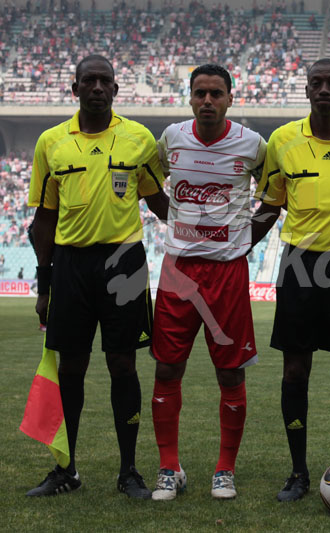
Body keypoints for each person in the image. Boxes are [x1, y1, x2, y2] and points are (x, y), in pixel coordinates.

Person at [26, 54, 167, 498]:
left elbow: (160, 203)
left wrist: (206, 223)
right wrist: (44, 285)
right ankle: (65, 469)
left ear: (116, 89)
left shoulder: (139, 139)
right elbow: (44, 219)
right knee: (71, 366)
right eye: (89, 80)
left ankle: (129, 472)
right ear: (75, 88)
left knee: (123, 363)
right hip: (71, 265)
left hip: (124, 261)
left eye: (105, 81)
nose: (98, 88)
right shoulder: (51, 142)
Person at [252, 58, 330, 502]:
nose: (324, 89)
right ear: (306, 90)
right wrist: (236, 245)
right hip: (299, 265)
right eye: (316, 83)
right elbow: (271, 204)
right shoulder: (282, 140)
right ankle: (298, 471)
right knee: (294, 368)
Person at [149, 64, 267, 501]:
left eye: (216, 93)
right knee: (167, 367)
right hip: (179, 269)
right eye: (200, 93)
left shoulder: (253, 145)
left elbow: (275, 196)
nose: (207, 101)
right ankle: (169, 468)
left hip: (227, 272)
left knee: (229, 371)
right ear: (189, 97)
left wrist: (244, 239)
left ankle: (224, 471)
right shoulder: (172, 139)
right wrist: (177, 222)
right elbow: (149, 183)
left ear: (230, 98)